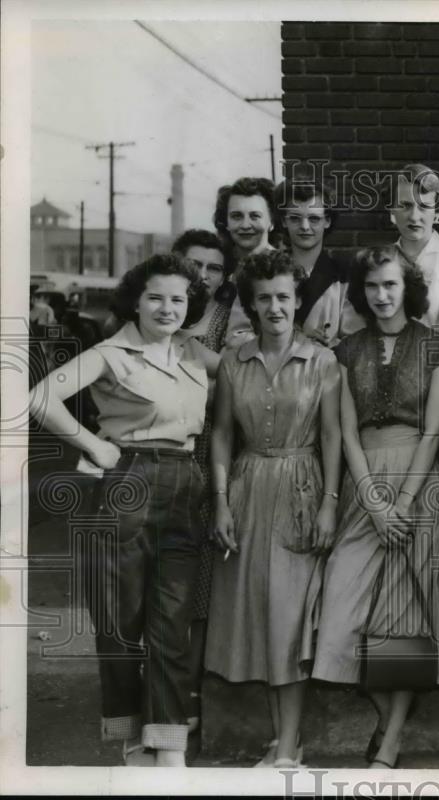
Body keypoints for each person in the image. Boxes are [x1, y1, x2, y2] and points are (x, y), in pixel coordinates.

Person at [28, 254, 219, 766]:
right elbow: (41, 397)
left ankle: (168, 745)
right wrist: (97, 446)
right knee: (120, 623)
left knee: (171, 623)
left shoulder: (193, 352)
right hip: (126, 485)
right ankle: (133, 740)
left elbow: (246, 375)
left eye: (179, 298)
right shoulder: (111, 353)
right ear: (136, 299)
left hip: (185, 484)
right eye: (156, 296)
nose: (167, 307)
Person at [309, 246, 439, 769]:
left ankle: (390, 741)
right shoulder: (346, 350)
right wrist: (373, 502)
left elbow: (434, 429)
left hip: (419, 484)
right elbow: (346, 431)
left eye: (390, 284)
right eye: (372, 286)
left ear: (407, 287)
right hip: (365, 485)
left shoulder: (437, 346)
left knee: (407, 620)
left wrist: (406, 502)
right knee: (338, 613)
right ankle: (385, 724)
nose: (382, 295)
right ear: (361, 292)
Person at [204, 249, 341, 768]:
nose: (275, 307)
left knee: (290, 619)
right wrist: (220, 501)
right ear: (252, 306)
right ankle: (282, 739)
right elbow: (220, 433)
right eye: (264, 299)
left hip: (301, 490)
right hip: (247, 489)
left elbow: (331, 436)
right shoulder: (234, 363)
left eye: (284, 296)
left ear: (298, 299)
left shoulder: (323, 360)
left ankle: (289, 747)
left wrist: (329, 503)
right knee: (260, 615)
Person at [169, 228, 234, 736]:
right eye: (196, 265)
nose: (204, 276)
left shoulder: (223, 316)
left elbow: (236, 375)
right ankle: (160, 695)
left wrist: (190, 349)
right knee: (160, 580)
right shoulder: (159, 307)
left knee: (199, 585)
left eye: (214, 268)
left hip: (209, 447)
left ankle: (188, 698)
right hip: (163, 449)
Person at [274, 176, 363, 347]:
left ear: (327, 221)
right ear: (284, 221)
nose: (305, 227)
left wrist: (326, 346)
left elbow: (356, 341)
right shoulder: (268, 269)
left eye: (314, 219)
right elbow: (239, 335)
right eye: (295, 218)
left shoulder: (345, 274)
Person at [387, 163, 439, 339]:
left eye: (424, 206)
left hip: (433, 362)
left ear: (436, 208)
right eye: (405, 205)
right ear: (392, 209)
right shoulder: (381, 260)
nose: (414, 216)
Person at [215, 177, 280, 347]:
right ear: (226, 222)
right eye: (236, 216)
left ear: (271, 222)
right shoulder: (220, 267)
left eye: (255, 216)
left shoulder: (282, 269)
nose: (245, 225)